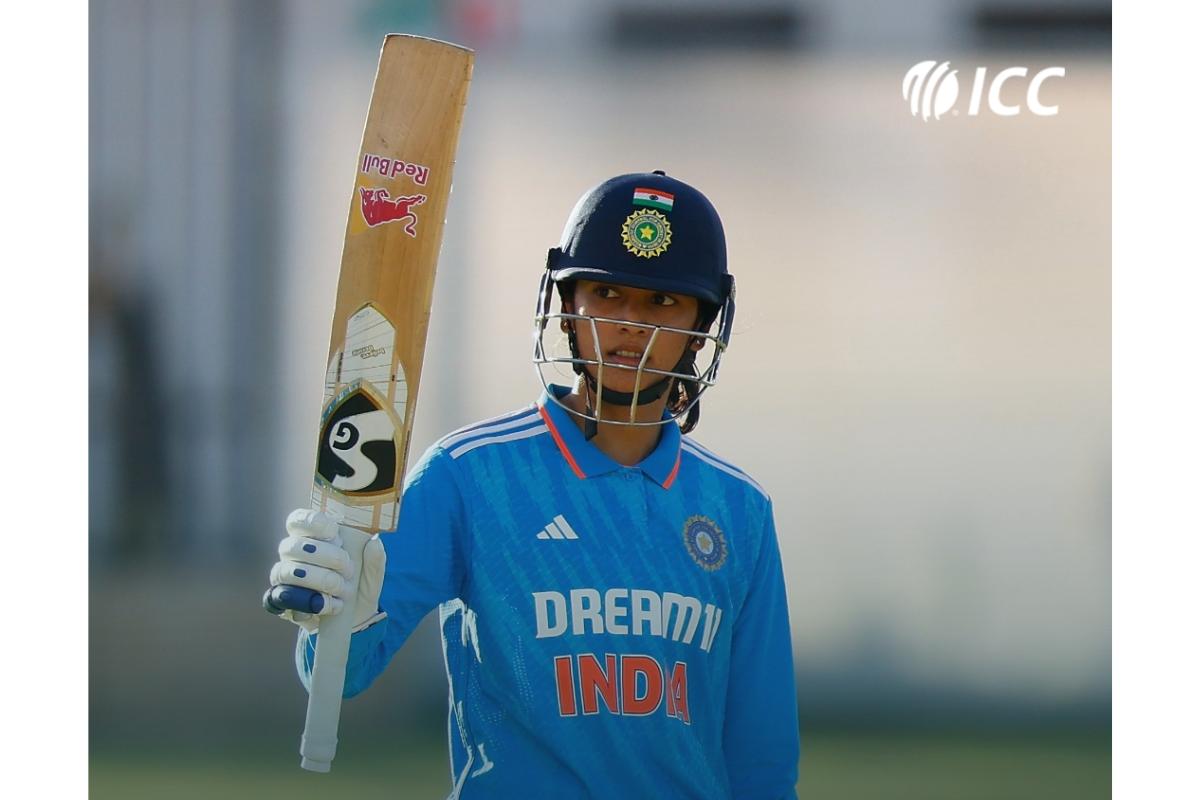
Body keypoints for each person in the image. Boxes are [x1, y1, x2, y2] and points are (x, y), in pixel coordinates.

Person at [265, 171, 800, 798]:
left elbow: (762, 759)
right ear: (567, 306)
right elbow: (337, 675)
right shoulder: (468, 476)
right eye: (606, 293)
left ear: (704, 322)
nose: (631, 324)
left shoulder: (737, 510)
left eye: (662, 302)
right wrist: (336, 610)